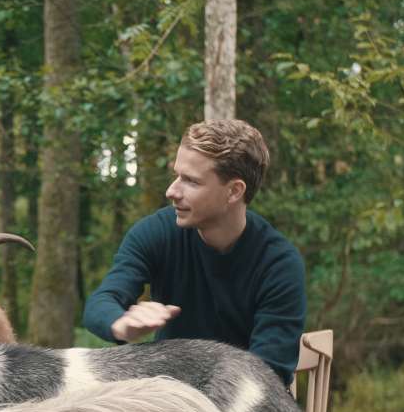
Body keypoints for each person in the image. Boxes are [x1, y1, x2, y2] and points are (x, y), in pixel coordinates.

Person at [83, 118, 306, 387]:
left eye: (191, 181)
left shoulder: (279, 264)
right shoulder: (156, 232)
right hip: (172, 403)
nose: (172, 191)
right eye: (177, 175)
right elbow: (101, 302)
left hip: (243, 410)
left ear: (234, 191)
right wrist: (121, 323)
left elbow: (268, 377)